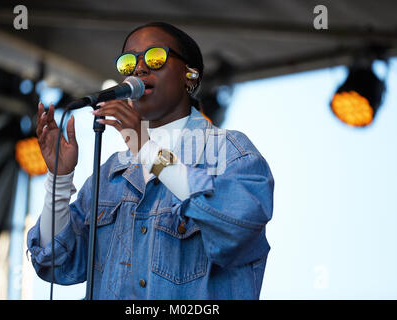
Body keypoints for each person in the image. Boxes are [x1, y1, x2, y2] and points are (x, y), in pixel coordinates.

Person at [27, 22, 274, 300]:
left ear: (190, 76)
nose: (140, 69)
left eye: (156, 58)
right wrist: (59, 179)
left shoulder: (228, 152)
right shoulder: (111, 172)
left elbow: (236, 227)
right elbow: (54, 262)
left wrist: (146, 149)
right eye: (128, 63)